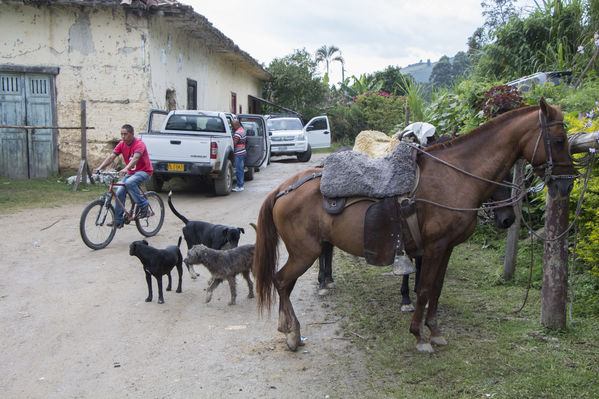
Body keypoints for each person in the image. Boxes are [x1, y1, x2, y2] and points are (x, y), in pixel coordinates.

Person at [93, 124, 153, 228]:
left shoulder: (139, 144)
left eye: (125, 134)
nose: (123, 136)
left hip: (144, 172)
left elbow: (135, 158)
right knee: (120, 191)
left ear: (132, 134)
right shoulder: (121, 144)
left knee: (129, 183)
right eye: (122, 134)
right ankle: (118, 220)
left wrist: (126, 168)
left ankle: (144, 206)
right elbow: (111, 157)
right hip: (131, 173)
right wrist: (100, 168)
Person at [231, 118, 247, 192]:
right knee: (241, 169)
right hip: (243, 151)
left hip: (238, 153)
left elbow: (234, 143)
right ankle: (241, 184)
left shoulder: (237, 133)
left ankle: (239, 186)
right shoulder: (242, 130)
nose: (232, 127)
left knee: (239, 170)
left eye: (233, 126)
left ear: (236, 125)